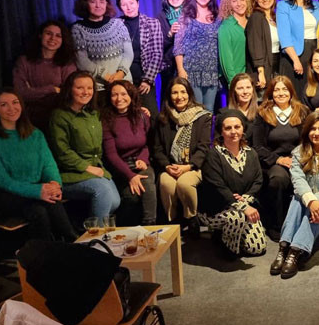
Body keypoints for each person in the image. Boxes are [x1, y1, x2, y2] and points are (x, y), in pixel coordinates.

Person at [0, 88, 77, 242]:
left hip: (31, 191)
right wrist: (38, 191)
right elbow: (3, 181)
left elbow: (48, 164)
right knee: (42, 205)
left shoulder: (35, 134)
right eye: (4, 104)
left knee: (46, 205)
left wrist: (54, 183)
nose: (11, 108)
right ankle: (62, 247)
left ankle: (67, 246)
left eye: (15, 102)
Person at [270, 111, 319, 279]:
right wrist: (311, 201)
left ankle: (296, 250)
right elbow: (298, 181)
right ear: (307, 131)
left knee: (314, 197)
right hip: (309, 204)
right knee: (298, 197)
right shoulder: (298, 152)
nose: (317, 133)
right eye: (313, 129)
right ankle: (284, 247)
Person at [49, 71, 120, 225]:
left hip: (96, 170)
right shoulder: (60, 116)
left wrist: (140, 111)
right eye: (80, 88)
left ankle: (88, 229)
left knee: (115, 201)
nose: (86, 92)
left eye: (89, 88)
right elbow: (62, 152)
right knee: (103, 192)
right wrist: (87, 168)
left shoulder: (93, 113)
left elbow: (117, 114)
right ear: (70, 90)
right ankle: (97, 237)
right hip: (70, 174)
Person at [198, 109, 266, 257]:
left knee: (257, 248)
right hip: (217, 207)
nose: (233, 131)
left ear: (243, 129)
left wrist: (246, 200)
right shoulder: (213, 155)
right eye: (228, 128)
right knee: (237, 217)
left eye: (237, 127)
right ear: (221, 132)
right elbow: (218, 187)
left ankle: (231, 232)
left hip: (244, 204)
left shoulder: (251, 153)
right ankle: (228, 247)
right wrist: (242, 206)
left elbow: (258, 181)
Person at [252, 75, 310, 240]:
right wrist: (278, 160)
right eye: (277, 90)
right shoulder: (263, 113)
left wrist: (299, 159)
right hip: (273, 161)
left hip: (299, 159)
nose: (281, 93)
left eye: (284, 89)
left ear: (291, 92)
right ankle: (276, 224)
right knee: (278, 179)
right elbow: (257, 146)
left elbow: (309, 140)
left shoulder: (303, 111)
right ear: (271, 93)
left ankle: (303, 223)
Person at [153, 77, 212, 223]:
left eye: (183, 92)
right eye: (174, 93)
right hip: (170, 166)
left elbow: (204, 147)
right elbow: (157, 149)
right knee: (166, 184)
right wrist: (167, 166)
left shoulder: (202, 116)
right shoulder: (162, 118)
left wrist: (188, 166)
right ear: (169, 96)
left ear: (189, 94)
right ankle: (172, 221)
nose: (179, 97)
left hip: (193, 166)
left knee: (184, 183)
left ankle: (191, 219)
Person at [101, 81, 157, 225]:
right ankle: (127, 231)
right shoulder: (106, 120)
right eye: (114, 95)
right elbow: (111, 155)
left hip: (141, 162)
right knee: (131, 196)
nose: (119, 98)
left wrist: (143, 159)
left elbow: (147, 144)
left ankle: (150, 225)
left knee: (148, 184)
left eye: (123, 94)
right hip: (120, 167)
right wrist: (130, 176)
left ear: (131, 96)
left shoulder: (142, 115)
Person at [13, 20, 76, 130]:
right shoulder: (24, 61)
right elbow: (19, 93)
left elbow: (69, 94)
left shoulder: (67, 63)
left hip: (58, 116)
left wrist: (32, 91)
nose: (52, 38)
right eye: (48, 33)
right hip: (30, 118)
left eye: (58, 36)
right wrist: (53, 89)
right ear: (40, 35)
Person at [71, 0, 133, 97]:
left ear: (106, 4)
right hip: (99, 88)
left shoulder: (118, 24)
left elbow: (128, 53)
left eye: (101, 1)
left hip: (124, 84)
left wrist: (120, 73)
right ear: (85, 4)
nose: (98, 5)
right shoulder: (78, 29)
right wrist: (106, 76)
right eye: (93, 2)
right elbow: (82, 61)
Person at [174, 0, 222, 111]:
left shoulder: (218, 16)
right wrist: (180, 69)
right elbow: (178, 45)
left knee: (209, 109)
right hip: (191, 71)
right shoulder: (186, 15)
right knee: (196, 109)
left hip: (211, 71)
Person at [116, 0, 164, 117]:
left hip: (144, 78)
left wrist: (147, 80)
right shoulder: (115, 25)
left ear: (138, 3)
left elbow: (157, 53)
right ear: (120, 7)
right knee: (128, 116)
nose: (129, 7)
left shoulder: (152, 23)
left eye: (131, 3)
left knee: (151, 115)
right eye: (124, 4)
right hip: (124, 78)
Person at [277, 0, 319, 98]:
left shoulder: (316, 5)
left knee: (314, 92)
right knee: (298, 94)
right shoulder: (283, 6)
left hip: (313, 52)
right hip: (295, 55)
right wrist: (296, 60)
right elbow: (284, 36)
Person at [245, 0, 280, 93]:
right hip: (262, 67)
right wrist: (261, 72)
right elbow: (255, 46)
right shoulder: (256, 17)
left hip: (275, 64)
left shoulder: (275, 17)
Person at [157, 0, 187, 102]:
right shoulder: (161, 16)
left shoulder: (193, 12)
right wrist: (170, 34)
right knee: (168, 100)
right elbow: (159, 45)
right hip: (169, 66)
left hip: (190, 63)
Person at [218, 0, 251, 87]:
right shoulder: (225, 27)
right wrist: (234, 82)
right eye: (234, 1)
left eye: (242, 0)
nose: (239, 4)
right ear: (229, 5)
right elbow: (226, 60)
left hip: (253, 77)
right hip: (236, 79)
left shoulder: (253, 22)